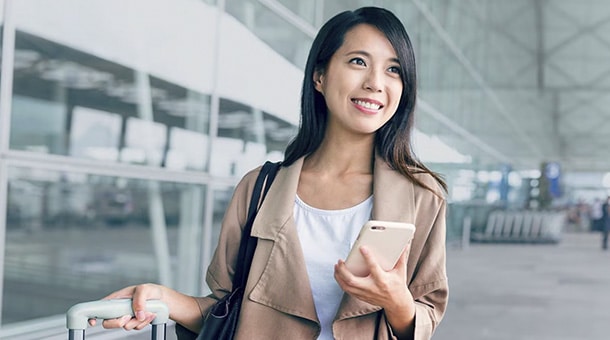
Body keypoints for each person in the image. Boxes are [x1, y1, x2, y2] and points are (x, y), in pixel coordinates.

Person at [90, 6, 448, 340]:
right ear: (319, 77)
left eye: (393, 69)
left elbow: (425, 314)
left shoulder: (422, 196)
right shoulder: (259, 189)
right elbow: (227, 312)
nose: (375, 82)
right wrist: (163, 299)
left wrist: (396, 300)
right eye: (358, 61)